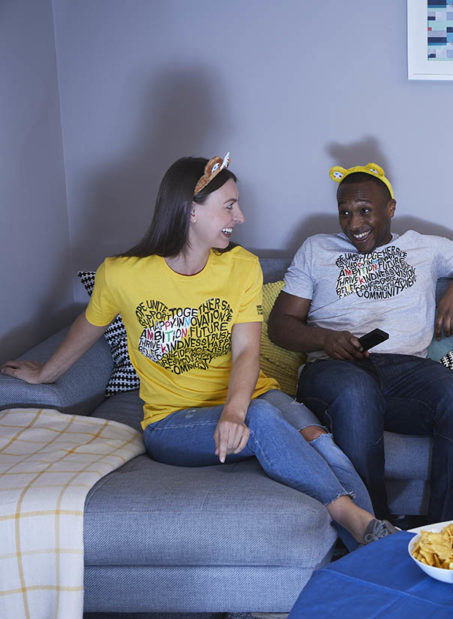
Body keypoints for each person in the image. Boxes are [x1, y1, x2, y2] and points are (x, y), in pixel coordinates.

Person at [1, 154, 396, 549]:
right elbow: (89, 326)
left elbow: (246, 352)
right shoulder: (121, 274)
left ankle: (377, 546)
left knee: (320, 441)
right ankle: (356, 520)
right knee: (260, 418)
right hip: (173, 422)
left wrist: (232, 411)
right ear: (190, 211)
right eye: (229, 205)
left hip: (255, 396)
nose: (239, 216)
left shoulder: (241, 266)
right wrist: (45, 375)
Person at [267, 162, 453, 522]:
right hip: (333, 371)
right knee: (355, 392)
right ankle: (371, 530)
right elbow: (280, 325)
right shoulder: (316, 249)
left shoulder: (423, 248)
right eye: (345, 213)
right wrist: (324, 338)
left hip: (405, 372)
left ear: (390, 209)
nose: (354, 224)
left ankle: (450, 529)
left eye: (365, 211)